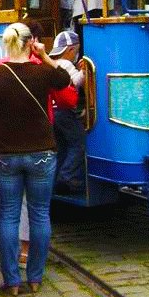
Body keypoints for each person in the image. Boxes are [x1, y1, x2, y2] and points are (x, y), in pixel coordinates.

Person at [0, 22, 70, 296]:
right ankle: (36, 277)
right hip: (42, 153)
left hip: (6, 155)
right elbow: (63, 81)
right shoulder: (41, 72)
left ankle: (12, 280)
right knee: (40, 214)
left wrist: (0, 114)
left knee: (9, 216)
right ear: (30, 43)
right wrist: (44, 56)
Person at [49, 30, 86, 195]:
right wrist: (84, 72)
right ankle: (66, 178)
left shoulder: (53, 62)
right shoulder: (66, 64)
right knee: (78, 143)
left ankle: (56, 178)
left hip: (54, 111)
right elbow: (75, 82)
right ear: (70, 50)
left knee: (62, 147)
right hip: (65, 112)